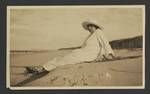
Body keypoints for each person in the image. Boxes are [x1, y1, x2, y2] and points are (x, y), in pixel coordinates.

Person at [25, 20, 115, 75]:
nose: (89, 28)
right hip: (84, 53)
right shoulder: (91, 35)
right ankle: (43, 67)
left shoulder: (99, 32)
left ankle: (42, 69)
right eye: (88, 26)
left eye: (91, 26)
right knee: (61, 58)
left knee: (66, 59)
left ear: (95, 26)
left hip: (89, 55)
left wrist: (109, 54)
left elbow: (105, 43)